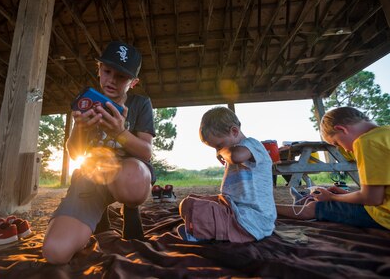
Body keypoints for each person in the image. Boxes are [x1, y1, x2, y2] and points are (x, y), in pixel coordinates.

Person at [42, 41, 156, 264]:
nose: (111, 80)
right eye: (107, 71)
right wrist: (80, 127)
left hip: (127, 176)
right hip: (91, 177)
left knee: (132, 180)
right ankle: (98, 214)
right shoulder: (87, 100)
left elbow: (146, 152)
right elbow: (75, 154)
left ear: (134, 82)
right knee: (55, 252)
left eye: (121, 76)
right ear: (99, 70)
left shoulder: (140, 104)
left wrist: (120, 132)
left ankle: (130, 211)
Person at [276, 106, 390, 230]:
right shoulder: (385, 133)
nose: (345, 150)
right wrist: (346, 194)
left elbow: (372, 199)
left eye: (336, 143)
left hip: (385, 217)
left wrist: (332, 197)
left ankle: (266, 208)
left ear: (341, 129)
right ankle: (303, 199)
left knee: (315, 207)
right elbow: (380, 193)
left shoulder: (366, 142)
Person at [177, 107, 276, 242]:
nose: (218, 151)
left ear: (234, 131)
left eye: (220, 145)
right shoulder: (232, 150)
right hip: (233, 209)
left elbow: (236, 156)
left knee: (203, 210)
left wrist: (222, 152)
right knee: (190, 202)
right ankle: (206, 228)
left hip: (253, 220)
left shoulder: (252, 144)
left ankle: (204, 233)